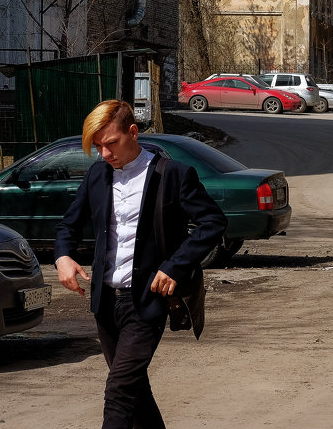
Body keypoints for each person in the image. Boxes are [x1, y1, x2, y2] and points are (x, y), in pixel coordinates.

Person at [55, 100, 226, 428]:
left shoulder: (171, 175)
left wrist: (174, 266)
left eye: (111, 144)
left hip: (145, 302)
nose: (105, 154)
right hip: (104, 301)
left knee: (119, 390)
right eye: (98, 147)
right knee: (134, 390)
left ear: (133, 132)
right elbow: (68, 225)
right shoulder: (98, 175)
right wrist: (63, 256)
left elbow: (212, 223)